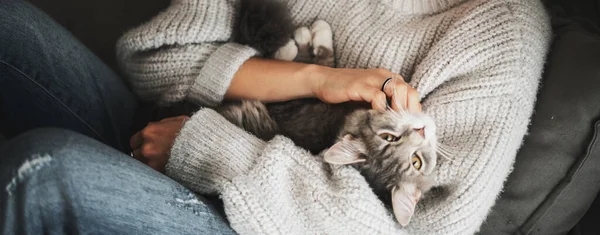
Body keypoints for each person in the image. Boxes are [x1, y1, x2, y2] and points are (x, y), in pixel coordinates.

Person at [0, 0, 550, 234]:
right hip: (165, 117)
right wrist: (316, 79)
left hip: (252, 214)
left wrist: (204, 148)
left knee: (45, 170)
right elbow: (159, 57)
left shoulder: (499, 31)